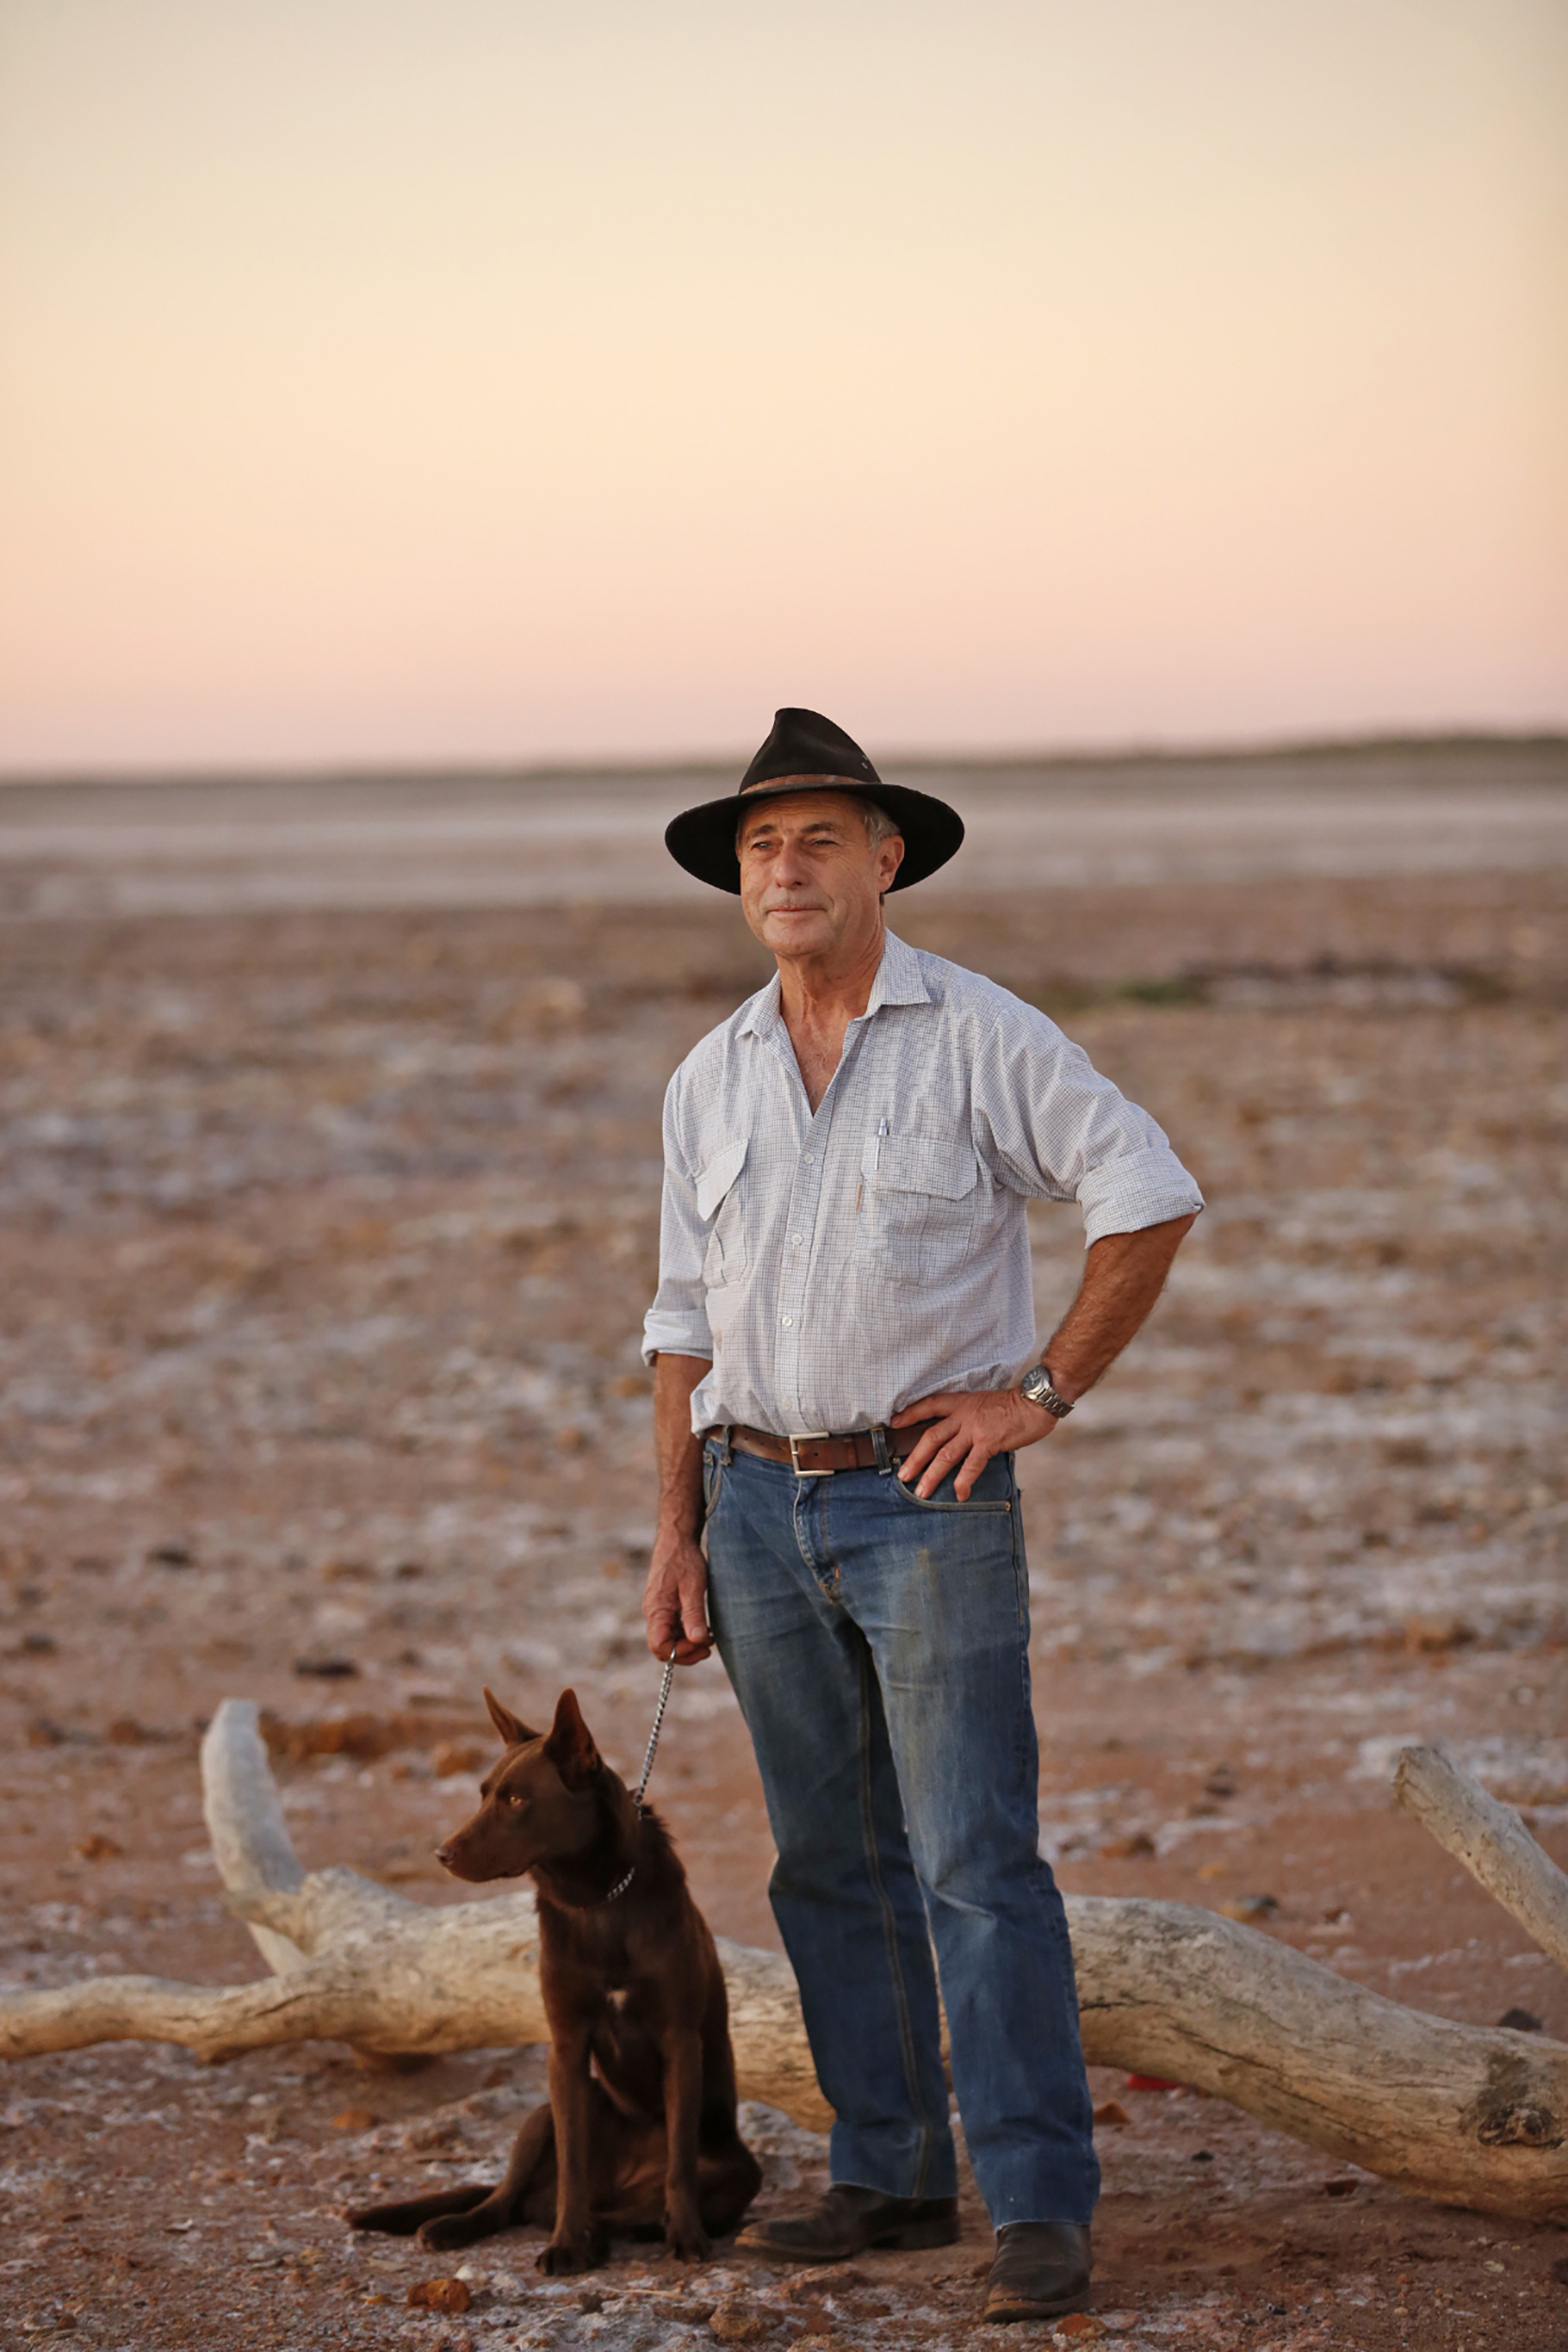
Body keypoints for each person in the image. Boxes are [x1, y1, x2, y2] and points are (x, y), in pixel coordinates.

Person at [640, 708, 1202, 2324]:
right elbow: (680, 1326)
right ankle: (888, 2175)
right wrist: (676, 1534)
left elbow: (1147, 1193)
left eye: (820, 839)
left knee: (973, 1858)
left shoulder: (980, 1034)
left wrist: (1037, 1392)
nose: (788, 868)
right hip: (747, 1502)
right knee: (826, 1864)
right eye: (762, 846)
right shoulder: (710, 1075)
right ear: (738, 883)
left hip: (926, 1503)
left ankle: (1035, 2199)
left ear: (887, 858)